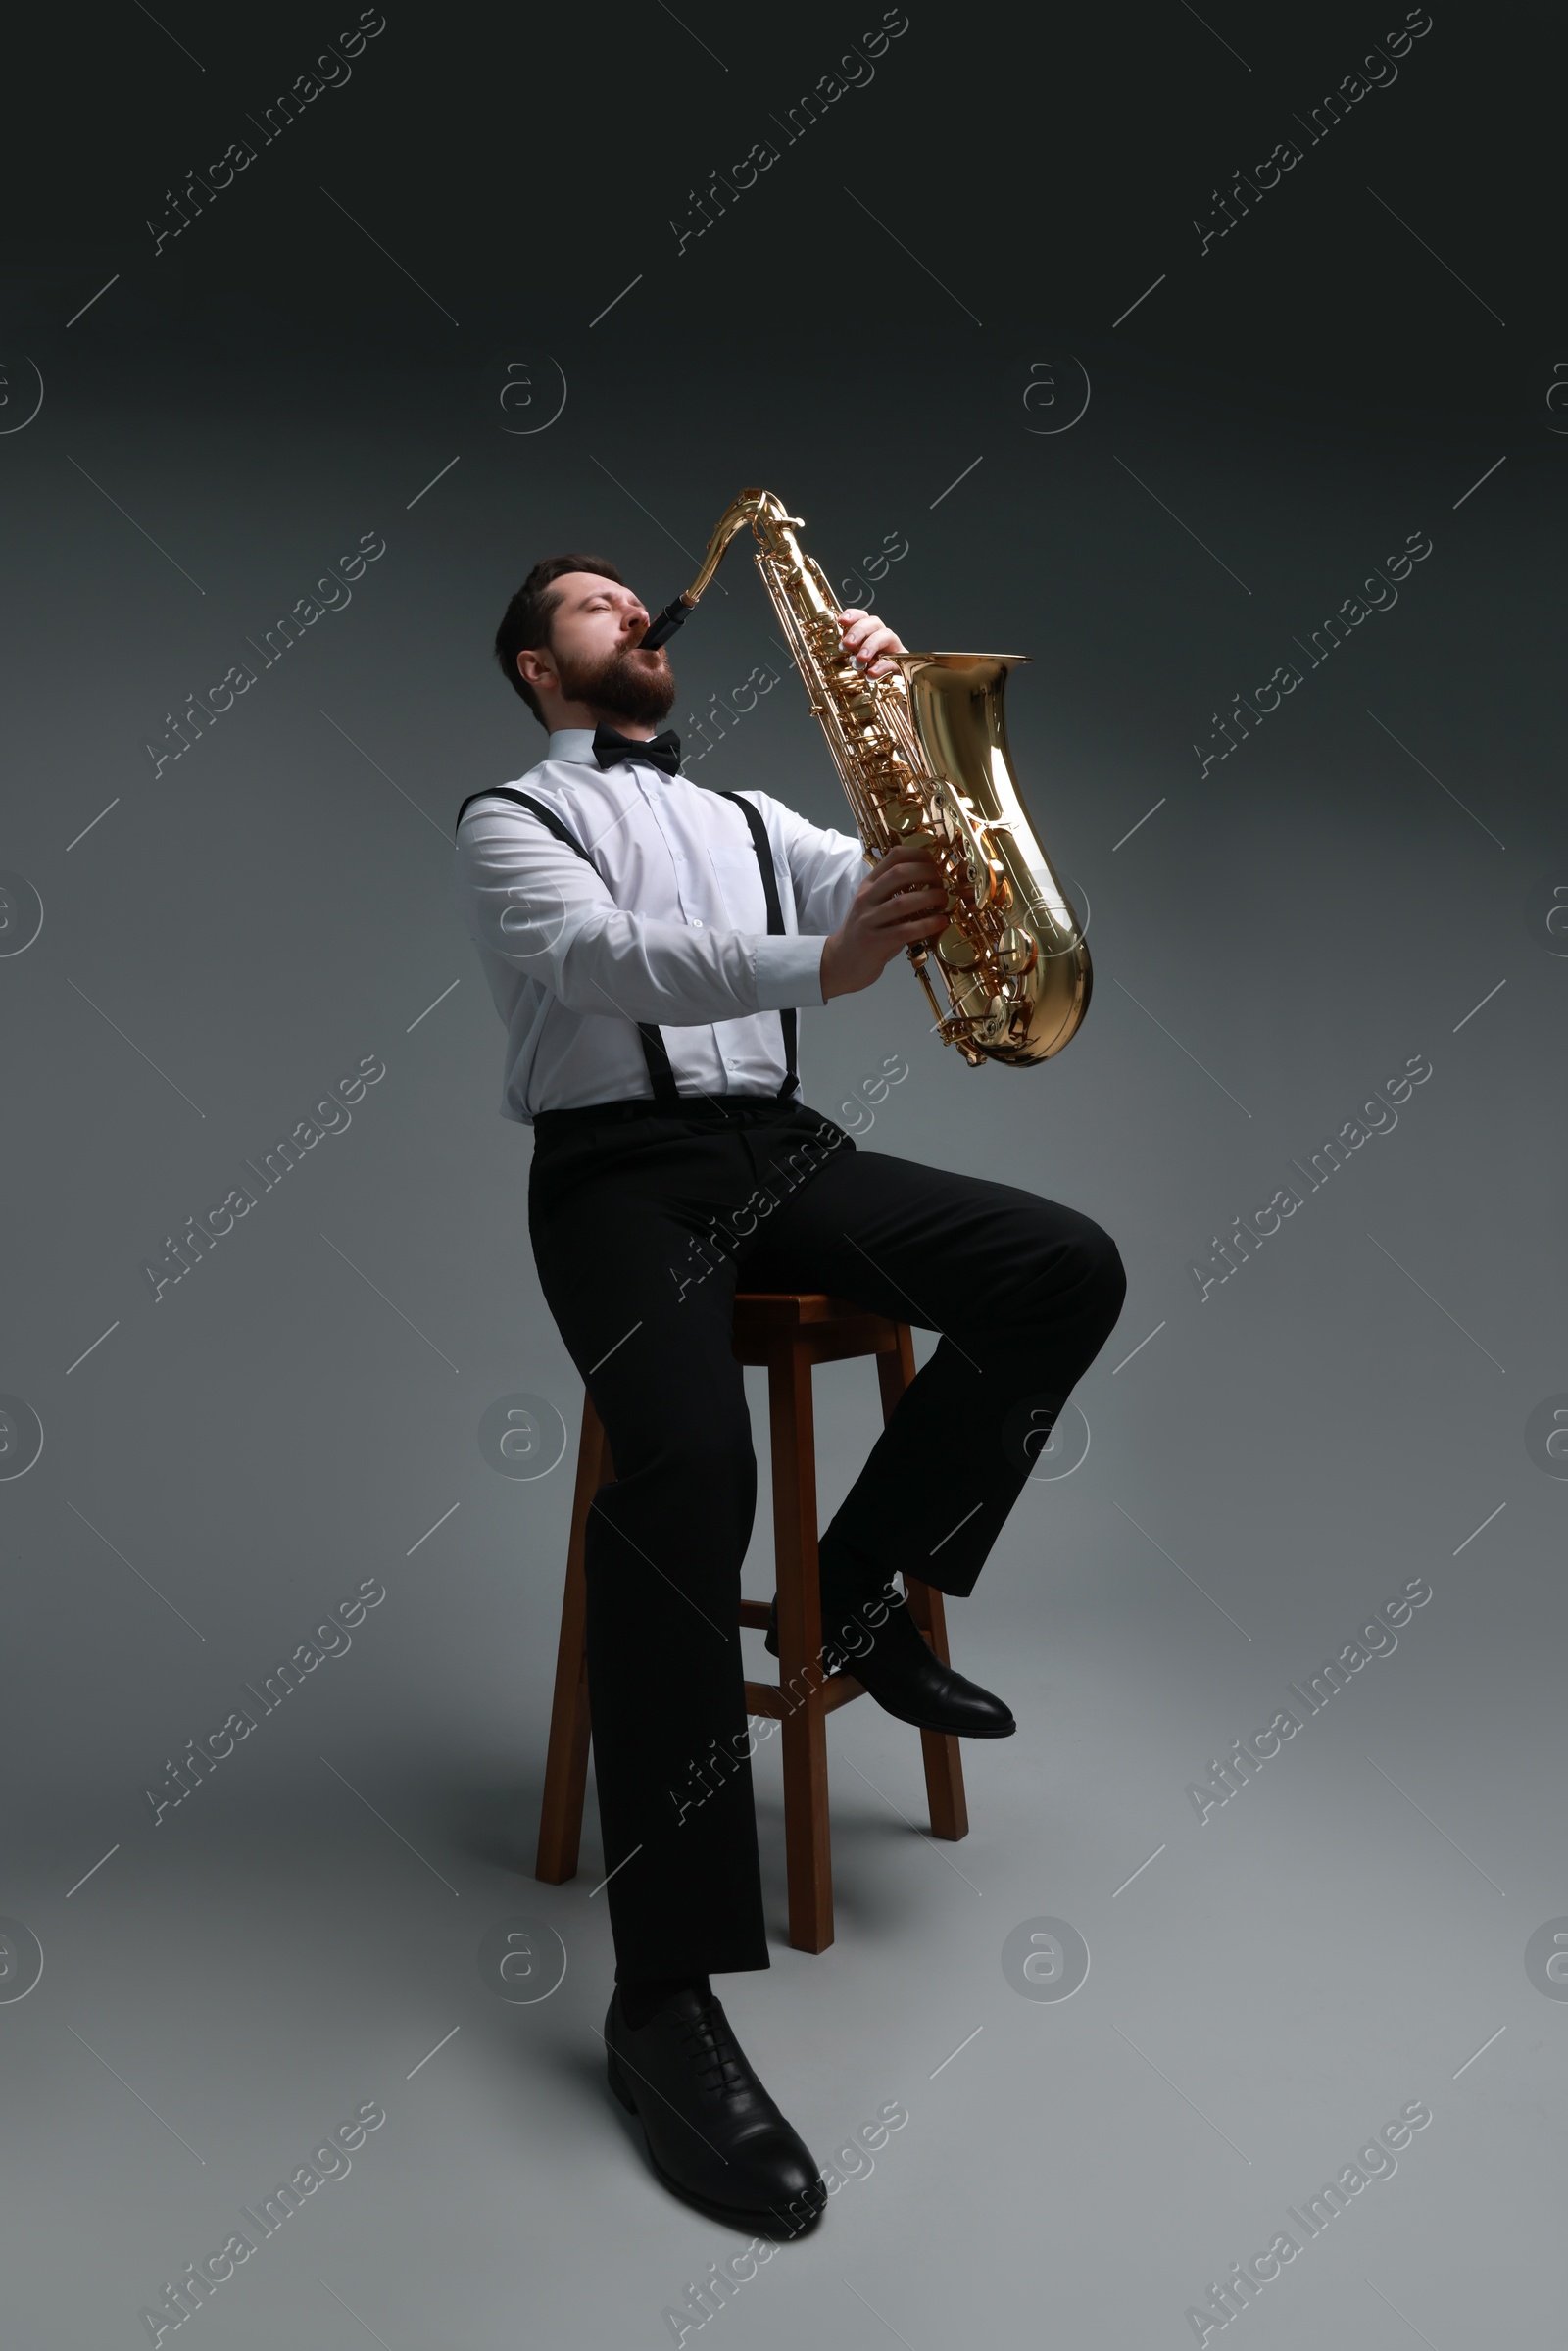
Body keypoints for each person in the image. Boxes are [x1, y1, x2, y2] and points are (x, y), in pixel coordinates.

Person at [451, 553, 1126, 2235]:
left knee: (1068, 1268)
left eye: (634, 596)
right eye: (598, 607)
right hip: (616, 1180)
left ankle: (854, 1599)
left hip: (779, 1158)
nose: (637, 615)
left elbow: (927, 887)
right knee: (684, 1469)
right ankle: (661, 1999)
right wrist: (821, 968)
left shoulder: (757, 812)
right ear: (541, 670)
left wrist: (906, 716)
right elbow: (605, 962)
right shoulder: (509, 820)